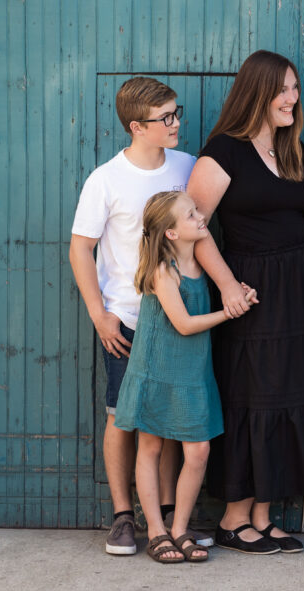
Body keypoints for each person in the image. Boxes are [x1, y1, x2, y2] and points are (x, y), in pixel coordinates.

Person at [69, 77, 239, 554]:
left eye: (175, 112)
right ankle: (124, 516)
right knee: (123, 419)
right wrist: (100, 314)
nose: (177, 122)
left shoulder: (187, 167)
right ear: (136, 126)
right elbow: (81, 249)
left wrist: (227, 288)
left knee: (167, 425)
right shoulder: (106, 179)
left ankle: (165, 519)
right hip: (127, 318)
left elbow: (200, 234)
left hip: (180, 316)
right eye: (166, 118)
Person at [187, 50, 304, 555]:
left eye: (296, 89)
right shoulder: (221, 153)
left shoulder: (288, 147)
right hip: (254, 290)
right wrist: (228, 285)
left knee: (291, 392)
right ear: (257, 91)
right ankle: (233, 518)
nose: (292, 99)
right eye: (283, 90)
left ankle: (262, 514)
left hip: (301, 290)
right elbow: (194, 229)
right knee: (255, 395)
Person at [114, 191, 256, 563]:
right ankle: (157, 532)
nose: (199, 217)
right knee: (151, 447)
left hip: (193, 373)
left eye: (196, 211)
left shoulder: (199, 268)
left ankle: (180, 527)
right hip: (157, 370)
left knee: (198, 451)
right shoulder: (164, 271)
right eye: (190, 215)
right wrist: (230, 312)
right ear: (172, 234)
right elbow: (185, 324)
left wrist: (238, 294)